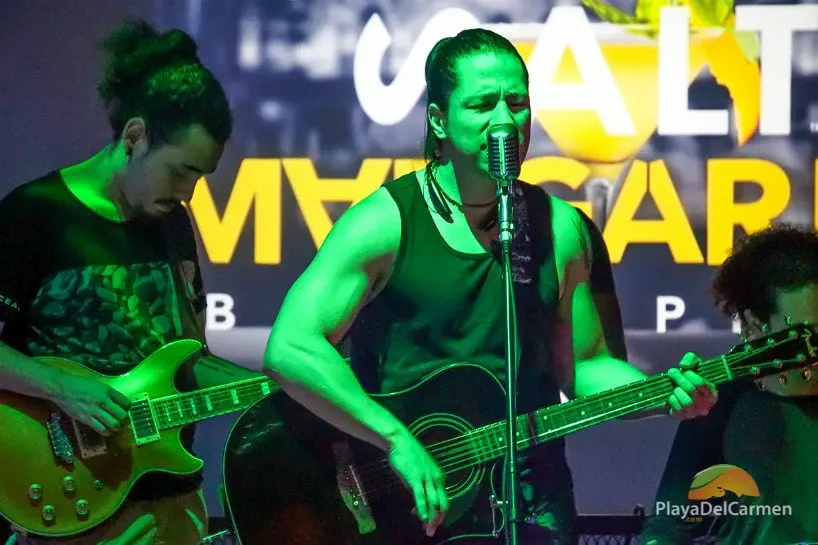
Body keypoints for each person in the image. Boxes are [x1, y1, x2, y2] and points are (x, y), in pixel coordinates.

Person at [263, 28, 717, 545]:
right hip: (411, 501)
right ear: (439, 120)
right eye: (482, 105)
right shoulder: (386, 223)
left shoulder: (560, 229)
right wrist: (396, 441)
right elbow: (291, 346)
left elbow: (585, 367)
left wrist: (660, 395)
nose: (504, 122)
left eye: (517, 104)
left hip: (532, 501)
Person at [0, 19, 259, 545]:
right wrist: (60, 388)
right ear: (134, 137)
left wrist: (292, 386)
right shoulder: (33, 216)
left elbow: (191, 357)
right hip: (77, 504)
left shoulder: (171, 223)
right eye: (181, 171)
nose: (189, 192)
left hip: (178, 503)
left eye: (200, 177)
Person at [641, 223, 818, 544]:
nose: (812, 346)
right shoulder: (722, 396)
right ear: (755, 325)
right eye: (803, 333)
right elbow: (669, 523)